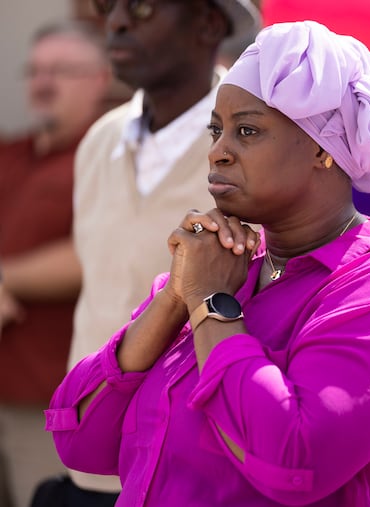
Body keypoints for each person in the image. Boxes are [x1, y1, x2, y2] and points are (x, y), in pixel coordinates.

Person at [46, 20, 370, 507]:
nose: (217, 152)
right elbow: (78, 435)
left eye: (247, 131)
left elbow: (290, 463)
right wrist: (176, 297)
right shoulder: (224, 265)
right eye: (216, 130)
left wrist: (211, 305)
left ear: (324, 148)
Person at [46, 0, 261, 503]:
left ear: (209, 22)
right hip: (88, 458)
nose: (116, 21)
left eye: (141, 7)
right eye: (108, 6)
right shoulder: (98, 140)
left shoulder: (254, 151)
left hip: (186, 472)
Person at [0, 21, 111, 507]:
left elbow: (96, 251)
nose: (43, 82)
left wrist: (5, 277)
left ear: (101, 79)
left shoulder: (108, 156)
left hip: (49, 398)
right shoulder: (9, 153)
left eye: (61, 70)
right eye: (35, 70)